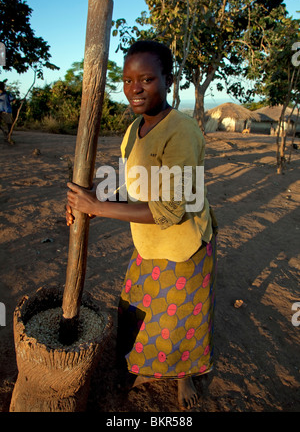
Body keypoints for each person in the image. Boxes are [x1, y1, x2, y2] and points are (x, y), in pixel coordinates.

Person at [66, 40, 218, 410]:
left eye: (147, 79)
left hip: (183, 249)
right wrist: (85, 201)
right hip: (148, 247)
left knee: (181, 320)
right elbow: (129, 187)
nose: (135, 88)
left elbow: (169, 211)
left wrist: (97, 207)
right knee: (135, 312)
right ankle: (134, 366)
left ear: (168, 79)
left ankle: (182, 378)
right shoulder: (135, 129)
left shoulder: (180, 131)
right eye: (128, 80)